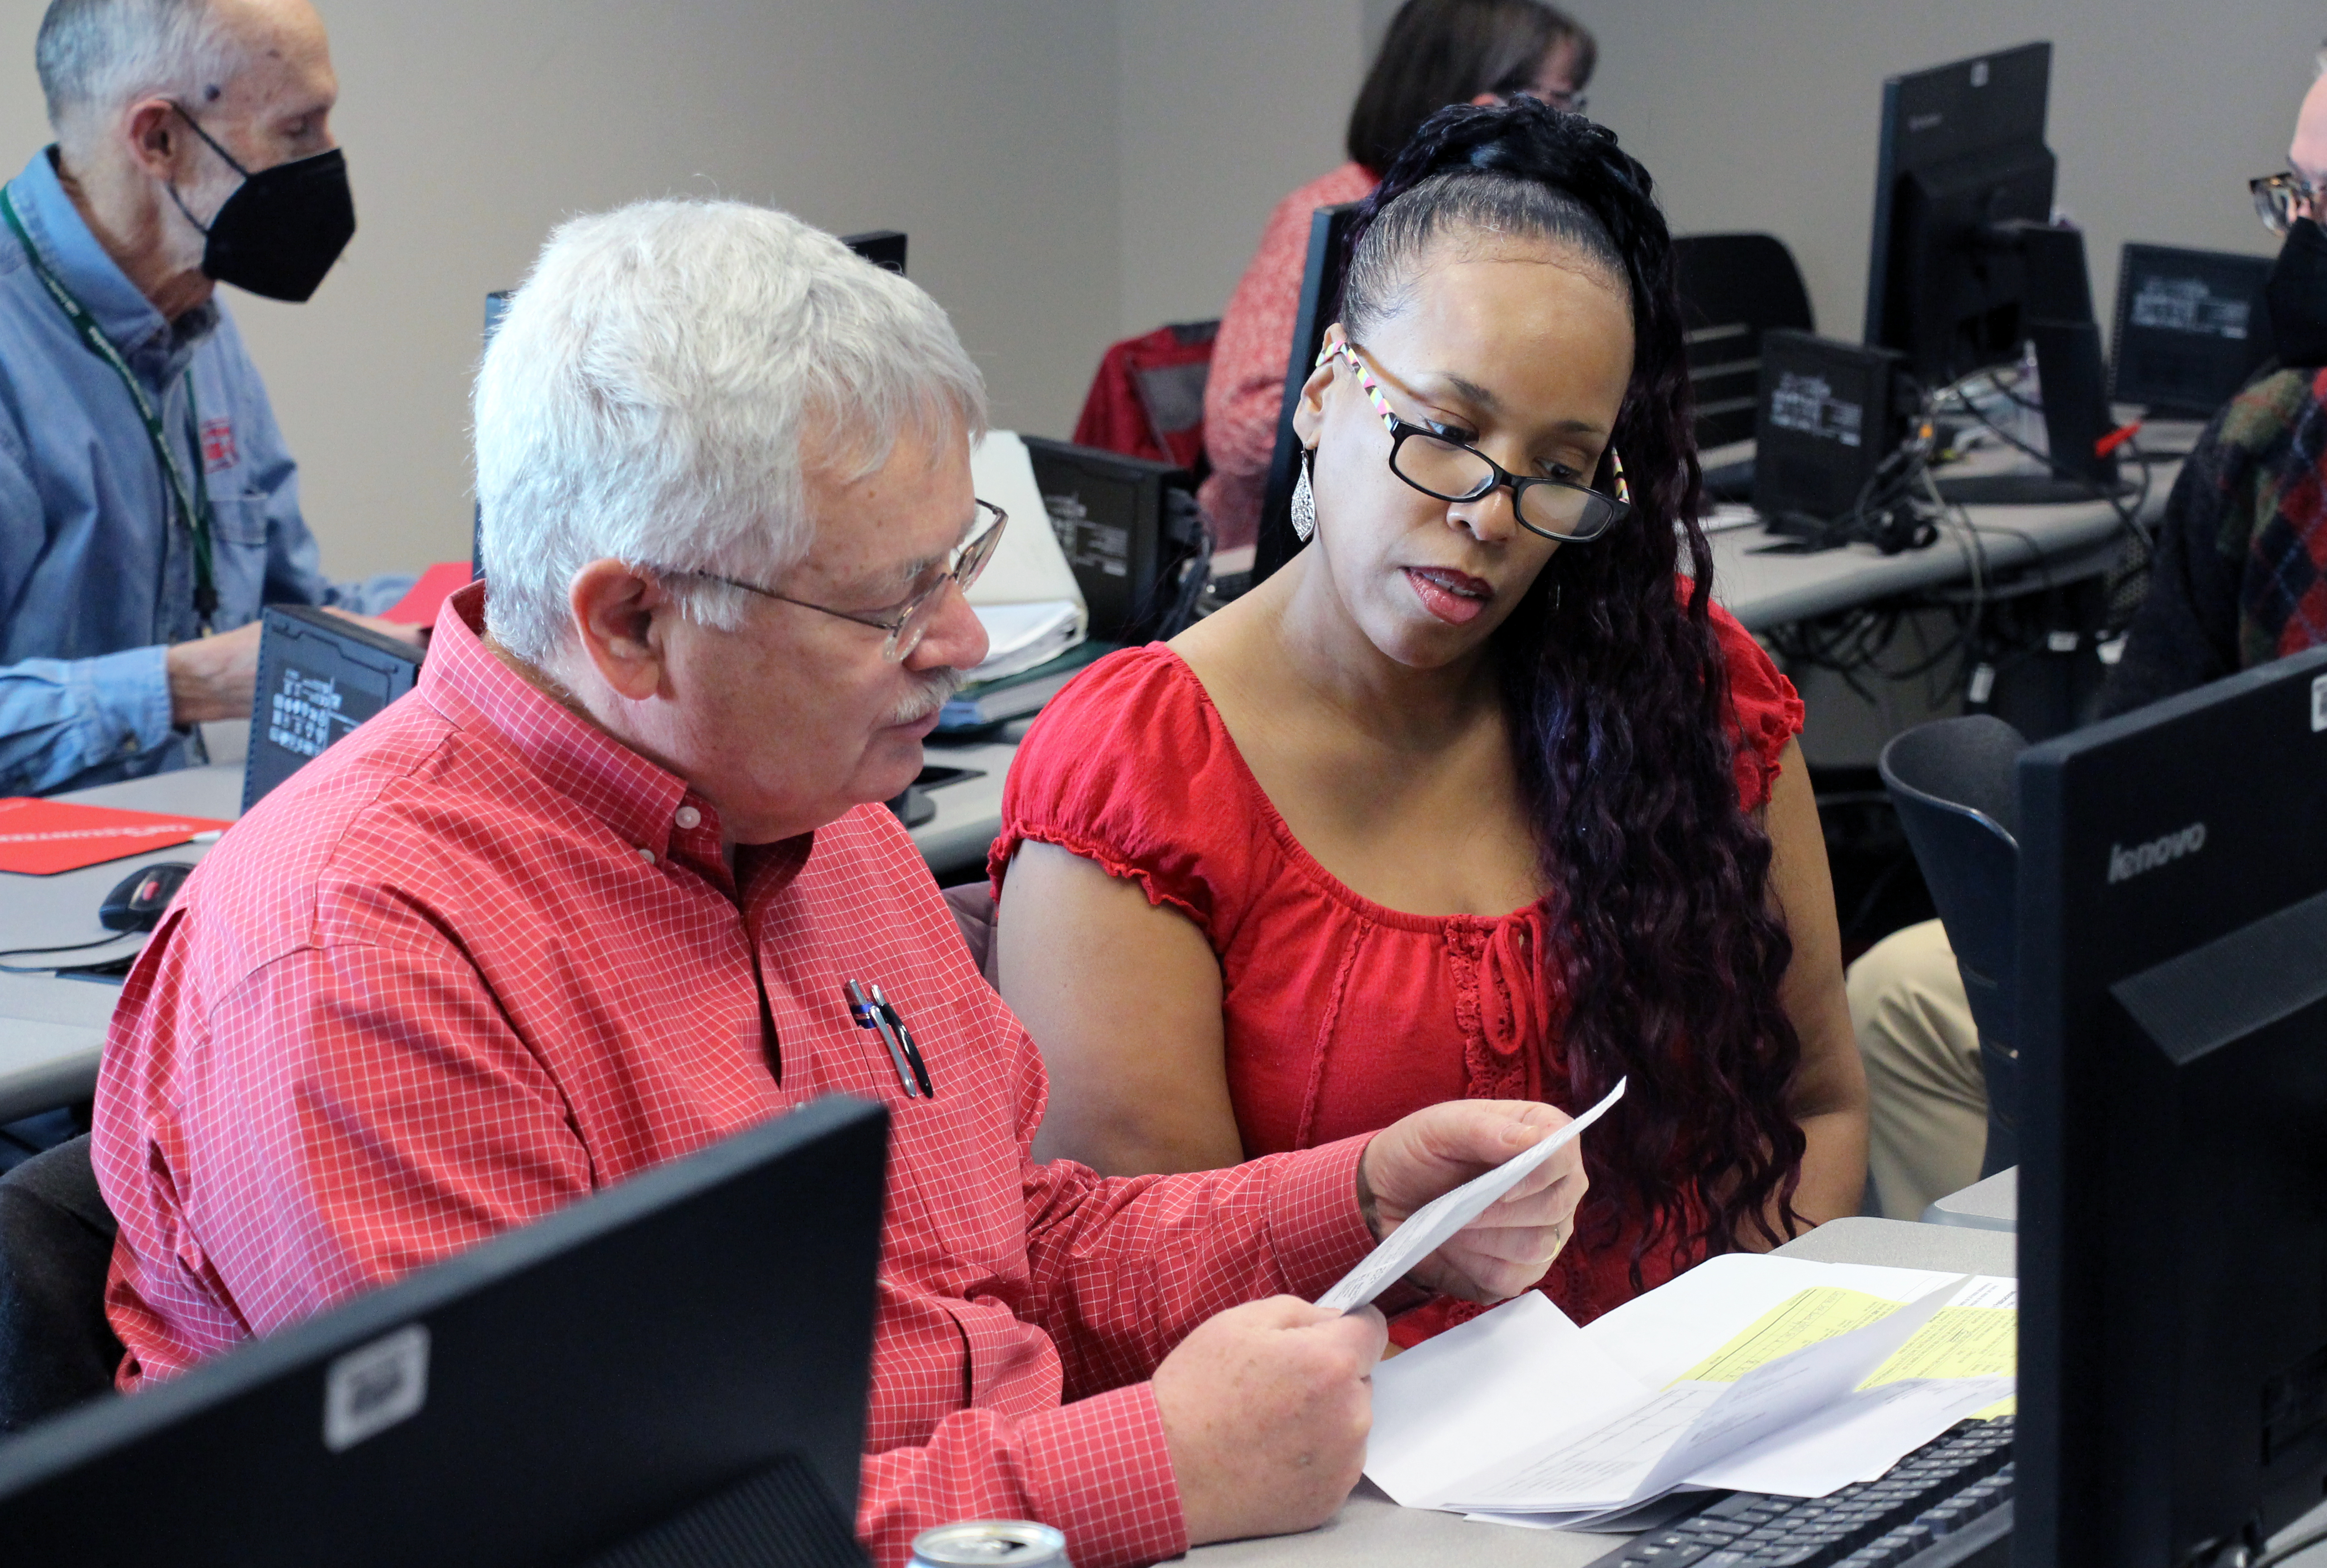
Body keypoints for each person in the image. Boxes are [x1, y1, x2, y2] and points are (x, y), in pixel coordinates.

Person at [90, 198, 1593, 1568]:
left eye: (958, 563)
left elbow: (1013, 1250)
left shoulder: (808, 796)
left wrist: (1361, 1199)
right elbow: (584, 1539)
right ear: (629, 623)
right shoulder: (357, 957)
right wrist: (1155, 1464)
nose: (961, 644)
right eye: (890, 602)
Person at [995, 103, 1869, 1350]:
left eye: (1561, 467)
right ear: (1321, 394)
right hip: (1343, 1488)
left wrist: (1712, 1388)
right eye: (1448, 433)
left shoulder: (1685, 690)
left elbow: (1819, 1111)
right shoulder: (1141, 772)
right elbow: (1144, 1302)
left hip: (1690, 1444)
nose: (1490, 514)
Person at [1852, 24, 2327, 1221]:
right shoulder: (2276, 435)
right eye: (2298, 192)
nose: (2303, 237)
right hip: (2253, 930)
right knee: (1900, 999)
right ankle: (2015, 1369)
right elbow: (2140, 764)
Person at [0, 0, 411, 799]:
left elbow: (296, 612)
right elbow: (233, 666)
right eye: (299, 131)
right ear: (159, 139)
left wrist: (481, 611)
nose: (329, 160)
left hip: (166, 864)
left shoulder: (192, 316)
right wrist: (184, 686)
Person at [1195, 0, 1596, 549]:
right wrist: (1424, 429)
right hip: (1273, 555)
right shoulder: (1324, 212)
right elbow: (1241, 432)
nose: (1569, 122)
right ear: (1486, 104)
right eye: (1558, 98)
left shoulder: (1516, 236)